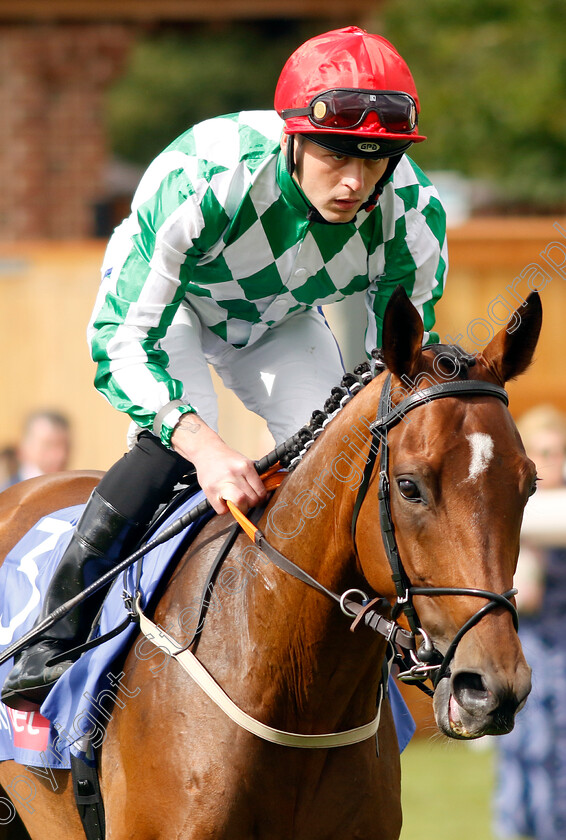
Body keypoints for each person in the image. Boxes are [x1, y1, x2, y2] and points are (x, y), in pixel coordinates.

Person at [2, 25, 447, 709]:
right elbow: (123, 338)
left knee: (347, 461)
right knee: (176, 452)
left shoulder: (410, 212)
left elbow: (400, 363)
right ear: (293, 137)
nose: (356, 181)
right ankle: (53, 636)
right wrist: (205, 448)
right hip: (170, 308)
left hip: (281, 321)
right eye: (333, 152)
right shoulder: (204, 176)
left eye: (377, 157)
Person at [493, 405, 566, 840]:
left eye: (558, 453)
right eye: (542, 453)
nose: (552, 464)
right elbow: (528, 596)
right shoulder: (519, 512)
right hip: (531, 660)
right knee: (525, 768)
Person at [0, 410, 71, 491]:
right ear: (23, 449)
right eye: (48, 445)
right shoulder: (6, 498)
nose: (61, 455)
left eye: (67, 446)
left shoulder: (79, 494)